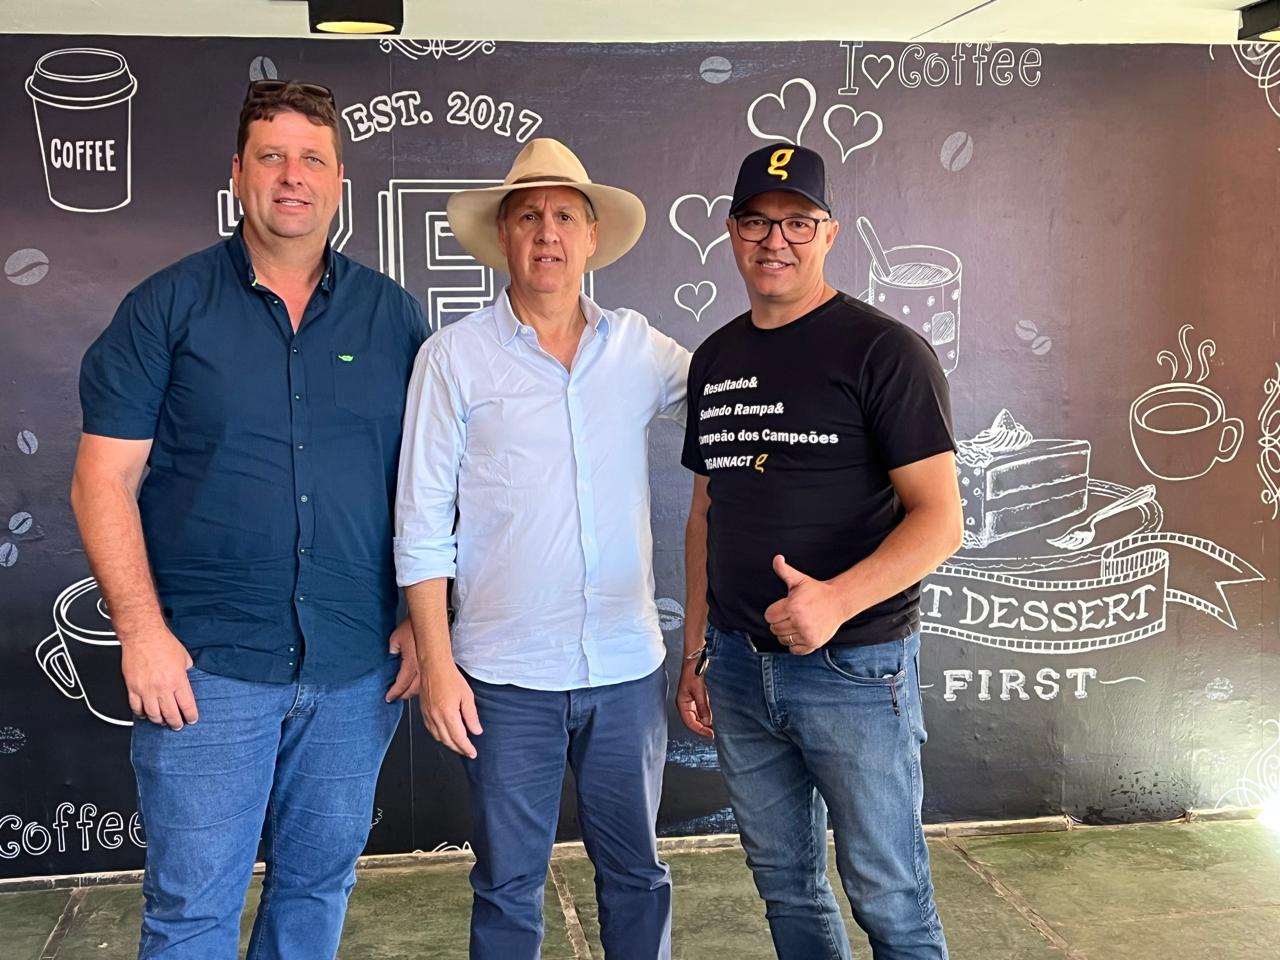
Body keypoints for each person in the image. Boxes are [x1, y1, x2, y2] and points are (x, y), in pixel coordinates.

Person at [71, 79, 428, 960]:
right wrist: (141, 634)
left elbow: (433, 483)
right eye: (272, 157)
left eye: (312, 159)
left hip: (356, 666)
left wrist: (428, 622)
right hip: (207, 669)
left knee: (316, 891)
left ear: (340, 181)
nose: (292, 176)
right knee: (193, 910)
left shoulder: (393, 316)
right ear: (238, 173)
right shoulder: (167, 306)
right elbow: (101, 482)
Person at [394, 138, 689, 960]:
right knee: (507, 887)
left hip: (624, 670)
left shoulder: (641, 349)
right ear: (503, 237)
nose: (547, 233)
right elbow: (421, 525)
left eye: (564, 216)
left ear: (592, 236)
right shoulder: (451, 359)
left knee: (638, 878)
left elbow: (737, 400)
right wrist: (438, 665)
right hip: (502, 679)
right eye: (528, 216)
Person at [675, 142, 962, 960]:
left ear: (829, 233)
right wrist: (696, 650)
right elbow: (704, 514)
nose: (776, 240)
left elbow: (940, 520)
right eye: (757, 222)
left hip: (854, 669)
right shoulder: (715, 358)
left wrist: (836, 599)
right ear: (731, 232)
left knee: (889, 895)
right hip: (737, 668)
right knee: (784, 885)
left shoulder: (884, 351)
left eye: (798, 222)